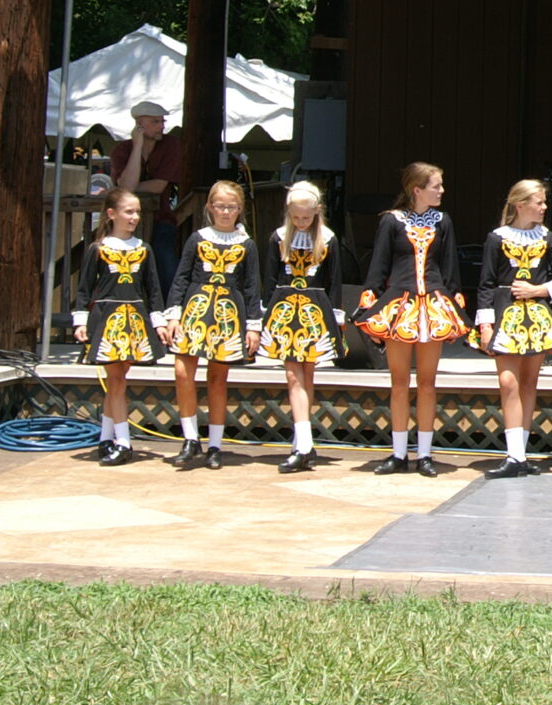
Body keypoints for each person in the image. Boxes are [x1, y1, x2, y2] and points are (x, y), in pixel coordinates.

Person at [354, 162, 469, 476]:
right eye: (436, 185)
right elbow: (378, 267)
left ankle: (426, 454)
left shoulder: (443, 221)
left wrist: (454, 301)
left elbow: (450, 269)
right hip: (400, 304)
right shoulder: (391, 222)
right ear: (417, 189)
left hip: (431, 303)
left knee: (428, 384)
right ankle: (399, 453)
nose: (442, 191)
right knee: (399, 383)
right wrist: (370, 303)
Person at [165, 179, 261, 470]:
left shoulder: (246, 244)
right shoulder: (198, 238)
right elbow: (181, 277)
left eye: (231, 207)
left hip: (228, 313)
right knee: (183, 370)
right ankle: (190, 436)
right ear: (210, 207)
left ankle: (215, 444)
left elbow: (252, 286)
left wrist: (253, 326)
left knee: (217, 379)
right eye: (220, 206)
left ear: (240, 210)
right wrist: (173, 314)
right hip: (196, 308)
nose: (225, 212)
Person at [478, 179, 552, 478]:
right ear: (520, 205)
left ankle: (520, 454)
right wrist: (485, 324)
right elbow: (486, 283)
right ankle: (513, 454)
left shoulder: (549, 238)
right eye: (539, 202)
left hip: (536, 316)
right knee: (508, 382)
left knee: (529, 382)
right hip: (505, 313)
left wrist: (538, 290)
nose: (544, 207)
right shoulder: (496, 238)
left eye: (544, 202)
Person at [257, 180, 351, 474]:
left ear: (317, 212)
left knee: (307, 375)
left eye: (306, 217)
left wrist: (336, 319)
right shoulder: (277, 238)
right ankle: (305, 444)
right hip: (285, 311)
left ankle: (302, 442)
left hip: (314, 312)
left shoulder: (329, 239)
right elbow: (269, 279)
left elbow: (334, 283)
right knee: (292, 375)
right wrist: (265, 316)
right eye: (296, 217)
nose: (300, 222)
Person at [72, 188, 167, 466]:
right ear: (111, 214)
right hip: (107, 318)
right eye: (128, 211)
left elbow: (153, 289)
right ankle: (124, 442)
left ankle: (106, 437)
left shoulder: (143, 249)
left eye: (137, 212)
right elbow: (84, 288)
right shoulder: (98, 249)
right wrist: (80, 321)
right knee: (116, 380)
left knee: (119, 379)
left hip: (134, 318)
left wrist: (158, 321)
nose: (134, 217)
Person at [113, 99, 185, 298]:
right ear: (139, 124)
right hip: (124, 223)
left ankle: (172, 311)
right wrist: (137, 147)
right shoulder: (123, 150)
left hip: (161, 218)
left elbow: (158, 186)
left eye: (162, 121)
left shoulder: (171, 144)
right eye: (155, 122)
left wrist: (129, 187)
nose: (162, 126)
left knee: (166, 264)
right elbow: (126, 186)